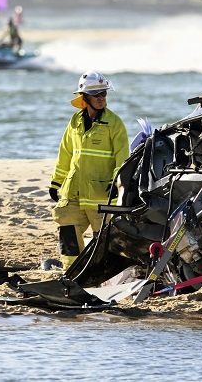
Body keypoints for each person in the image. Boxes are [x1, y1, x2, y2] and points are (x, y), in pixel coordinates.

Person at [49, 71, 129, 270]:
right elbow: (66, 154)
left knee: (105, 239)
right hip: (73, 192)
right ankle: (72, 271)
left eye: (104, 93)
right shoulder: (75, 121)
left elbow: (122, 158)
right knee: (68, 231)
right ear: (84, 97)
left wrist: (117, 181)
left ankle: (103, 274)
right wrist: (56, 182)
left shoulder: (115, 124)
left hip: (100, 194)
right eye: (96, 94)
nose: (102, 98)